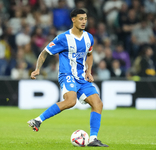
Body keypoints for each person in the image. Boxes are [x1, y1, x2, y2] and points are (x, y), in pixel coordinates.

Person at [27, 9, 108, 147]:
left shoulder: (89, 37)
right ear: (73, 20)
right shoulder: (63, 38)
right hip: (67, 75)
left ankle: (93, 139)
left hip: (82, 78)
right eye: (81, 19)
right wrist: (37, 69)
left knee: (98, 104)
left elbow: (89, 54)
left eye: (85, 19)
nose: (84, 22)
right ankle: (38, 120)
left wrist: (89, 71)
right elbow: (44, 53)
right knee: (70, 101)